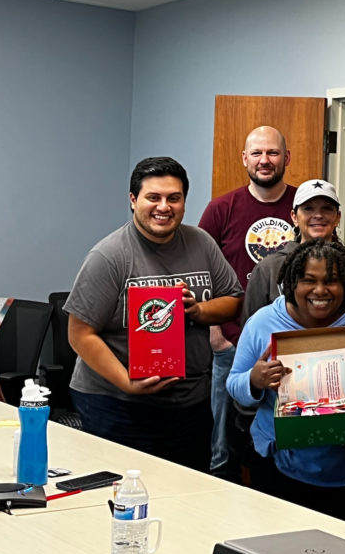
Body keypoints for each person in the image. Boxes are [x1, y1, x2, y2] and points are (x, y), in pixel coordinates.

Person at [66, 157, 243, 471]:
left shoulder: (201, 243)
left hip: (190, 403)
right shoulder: (109, 256)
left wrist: (199, 309)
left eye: (174, 198)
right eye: (153, 197)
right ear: (133, 201)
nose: (164, 206)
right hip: (118, 403)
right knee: (124, 497)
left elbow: (233, 300)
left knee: (187, 496)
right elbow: (80, 334)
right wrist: (126, 383)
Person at [226, 239, 345, 534]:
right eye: (308, 280)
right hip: (281, 474)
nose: (320, 291)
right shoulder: (264, 323)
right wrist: (254, 380)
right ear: (290, 283)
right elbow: (233, 384)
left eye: (332, 281)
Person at [198, 125, 297, 477]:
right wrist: (215, 331)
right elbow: (200, 271)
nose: (264, 160)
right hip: (230, 343)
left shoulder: (304, 207)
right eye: (256, 153)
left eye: (272, 153)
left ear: (286, 158)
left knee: (278, 439)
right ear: (244, 159)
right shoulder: (222, 208)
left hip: (289, 347)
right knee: (222, 443)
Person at [241, 179, 345, 325]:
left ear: (338, 217)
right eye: (308, 208)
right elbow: (251, 330)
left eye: (327, 208)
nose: (318, 215)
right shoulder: (268, 269)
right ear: (294, 217)